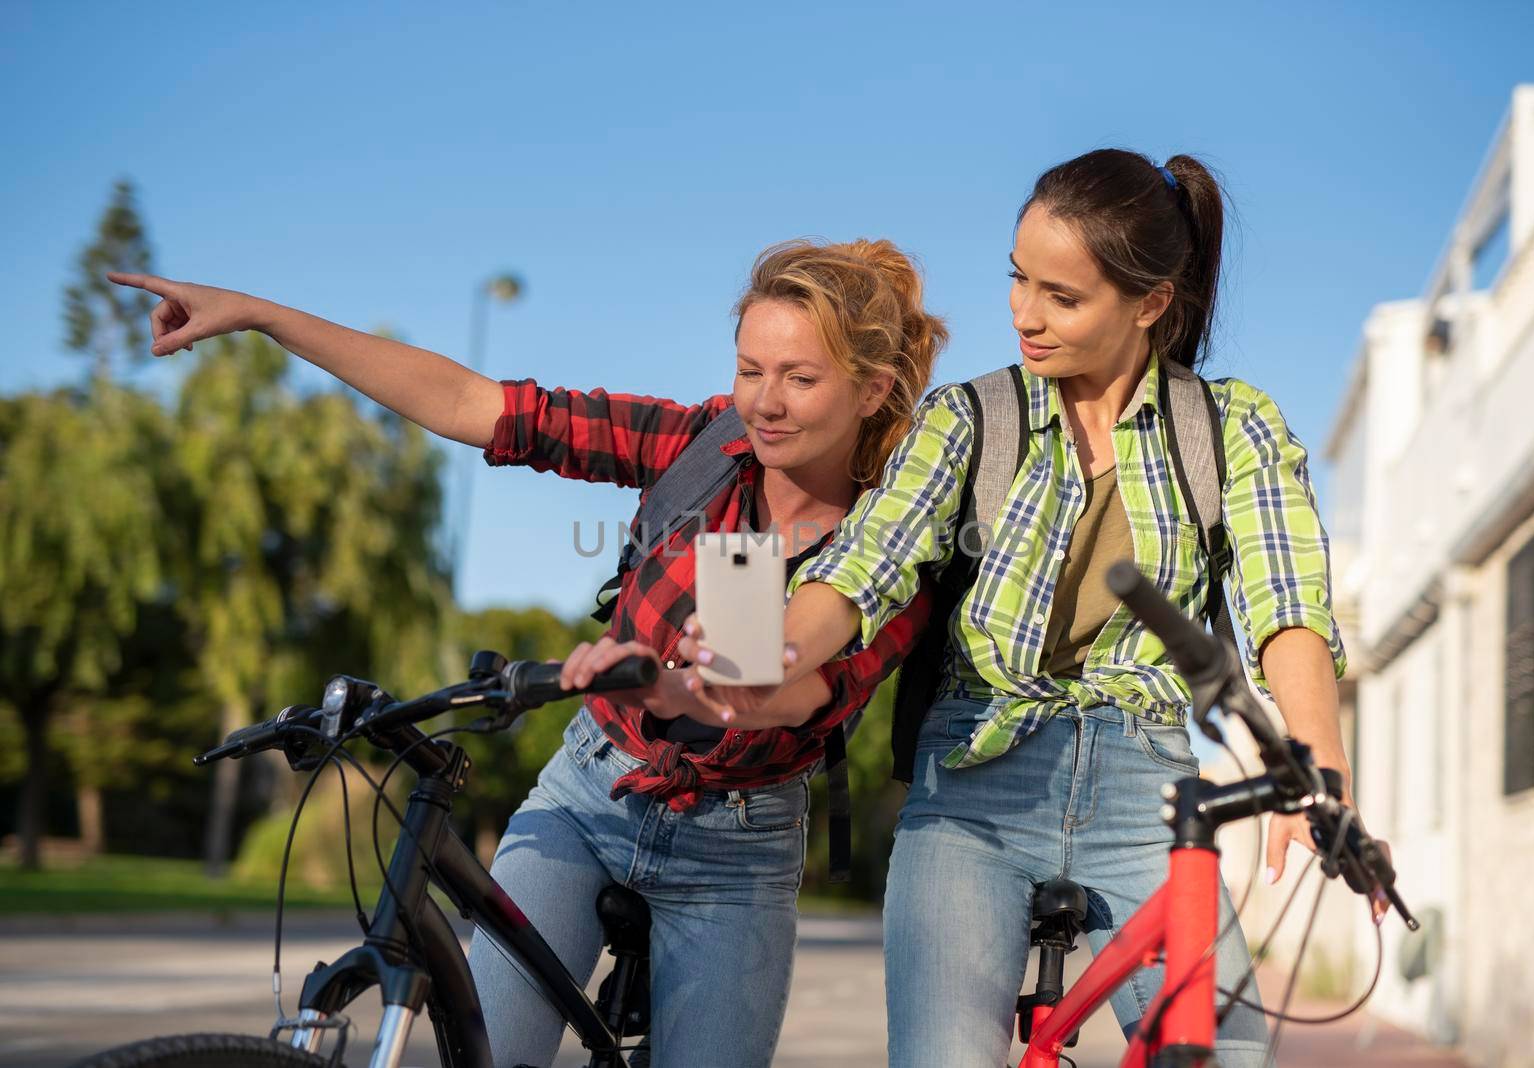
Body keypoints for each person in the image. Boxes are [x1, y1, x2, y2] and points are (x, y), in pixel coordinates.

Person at [109, 238, 942, 1067]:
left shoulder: (893, 541)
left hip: (739, 845)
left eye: (800, 378)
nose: (763, 403)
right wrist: (264, 316)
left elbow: (809, 697)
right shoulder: (701, 450)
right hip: (588, 794)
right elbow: (479, 404)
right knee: (491, 1053)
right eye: (749, 369)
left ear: (871, 389)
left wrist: (686, 693)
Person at [683, 150, 1379, 1068]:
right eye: (1017, 278)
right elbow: (862, 569)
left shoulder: (1230, 429)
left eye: (1061, 295)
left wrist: (1317, 758)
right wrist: (774, 648)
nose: (1023, 312)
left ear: (1150, 303)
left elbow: (1285, 601)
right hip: (974, 786)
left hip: (1152, 789)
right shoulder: (969, 419)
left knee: (1228, 1056)